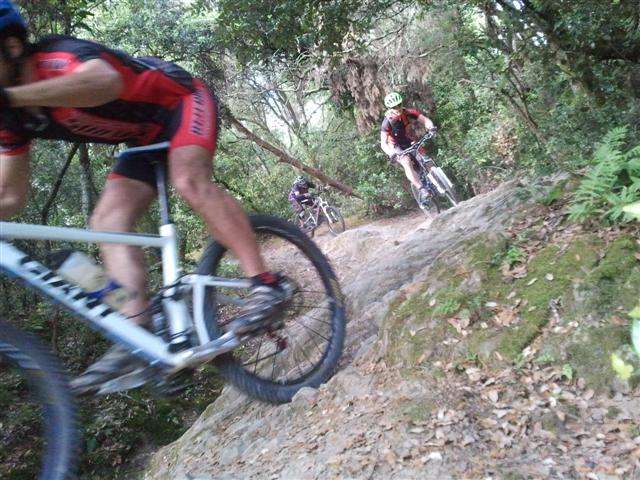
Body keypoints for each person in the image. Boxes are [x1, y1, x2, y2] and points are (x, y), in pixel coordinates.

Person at [0, 1, 291, 394]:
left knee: (189, 180)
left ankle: (267, 282)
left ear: (12, 47)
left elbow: (105, 82)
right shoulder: (13, 120)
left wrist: (10, 97)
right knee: (107, 223)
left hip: (181, 101)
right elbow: (12, 195)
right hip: (145, 138)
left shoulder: (55, 58)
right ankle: (140, 332)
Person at [379, 91, 436, 203]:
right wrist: (391, 153)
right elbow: (383, 143)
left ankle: (437, 180)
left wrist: (431, 127)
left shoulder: (408, 112)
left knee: (425, 158)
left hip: (408, 140)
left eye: (399, 105)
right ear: (390, 108)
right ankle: (421, 189)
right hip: (396, 146)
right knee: (406, 162)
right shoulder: (387, 122)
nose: (398, 108)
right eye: (394, 107)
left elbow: (424, 120)